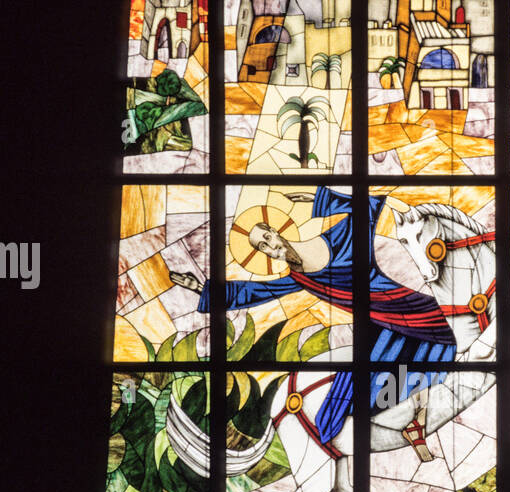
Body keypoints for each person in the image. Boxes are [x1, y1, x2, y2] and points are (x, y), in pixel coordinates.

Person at [169, 185, 456, 458]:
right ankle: (410, 423)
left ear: (276, 231)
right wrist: (201, 289)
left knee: (431, 359)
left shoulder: (338, 239)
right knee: (352, 393)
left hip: (410, 311)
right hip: (378, 327)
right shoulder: (297, 276)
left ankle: (418, 418)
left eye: (267, 237)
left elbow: (366, 207)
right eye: (262, 247)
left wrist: (321, 198)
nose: (269, 246)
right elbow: (253, 292)